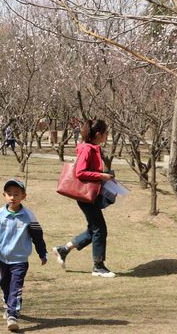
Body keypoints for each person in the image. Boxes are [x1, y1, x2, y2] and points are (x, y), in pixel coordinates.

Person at [52, 119, 116, 278]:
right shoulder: (88, 149)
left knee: (94, 229)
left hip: (90, 194)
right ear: (99, 134)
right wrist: (101, 176)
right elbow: (80, 172)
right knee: (100, 230)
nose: (107, 135)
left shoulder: (93, 148)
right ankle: (98, 266)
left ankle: (64, 249)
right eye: (106, 132)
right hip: (86, 195)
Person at [0, 179, 47, 332]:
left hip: (20, 260)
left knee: (16, 287)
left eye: (16, 194)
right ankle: (7, 304)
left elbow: (37, 236)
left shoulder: (28, 216)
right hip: (3, 259)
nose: (12, 197)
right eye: (9, 194)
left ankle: (12, 314)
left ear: (23, 196)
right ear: (4, 196)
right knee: (4, 284)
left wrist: (42, 253)